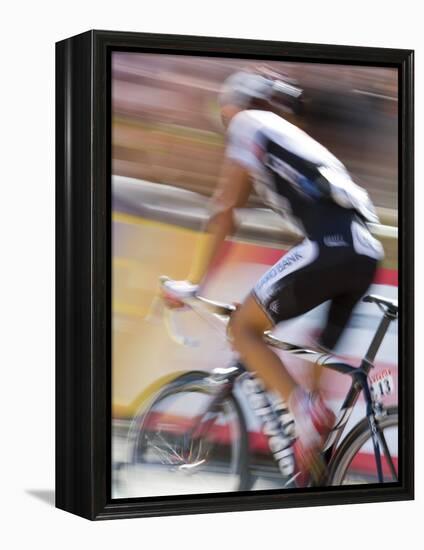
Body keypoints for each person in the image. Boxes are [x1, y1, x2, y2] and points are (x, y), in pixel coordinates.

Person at [163, 69, 384, 482]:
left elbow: (225, 211)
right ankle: (312, 473)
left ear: (233, 107)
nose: (226, 123)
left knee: (244, 330)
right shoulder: (301, 142)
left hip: (330, 246)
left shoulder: (248, 124)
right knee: (313, 362)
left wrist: (195, 284)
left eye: (224, 114)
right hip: (366, 252)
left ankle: (304, 413)